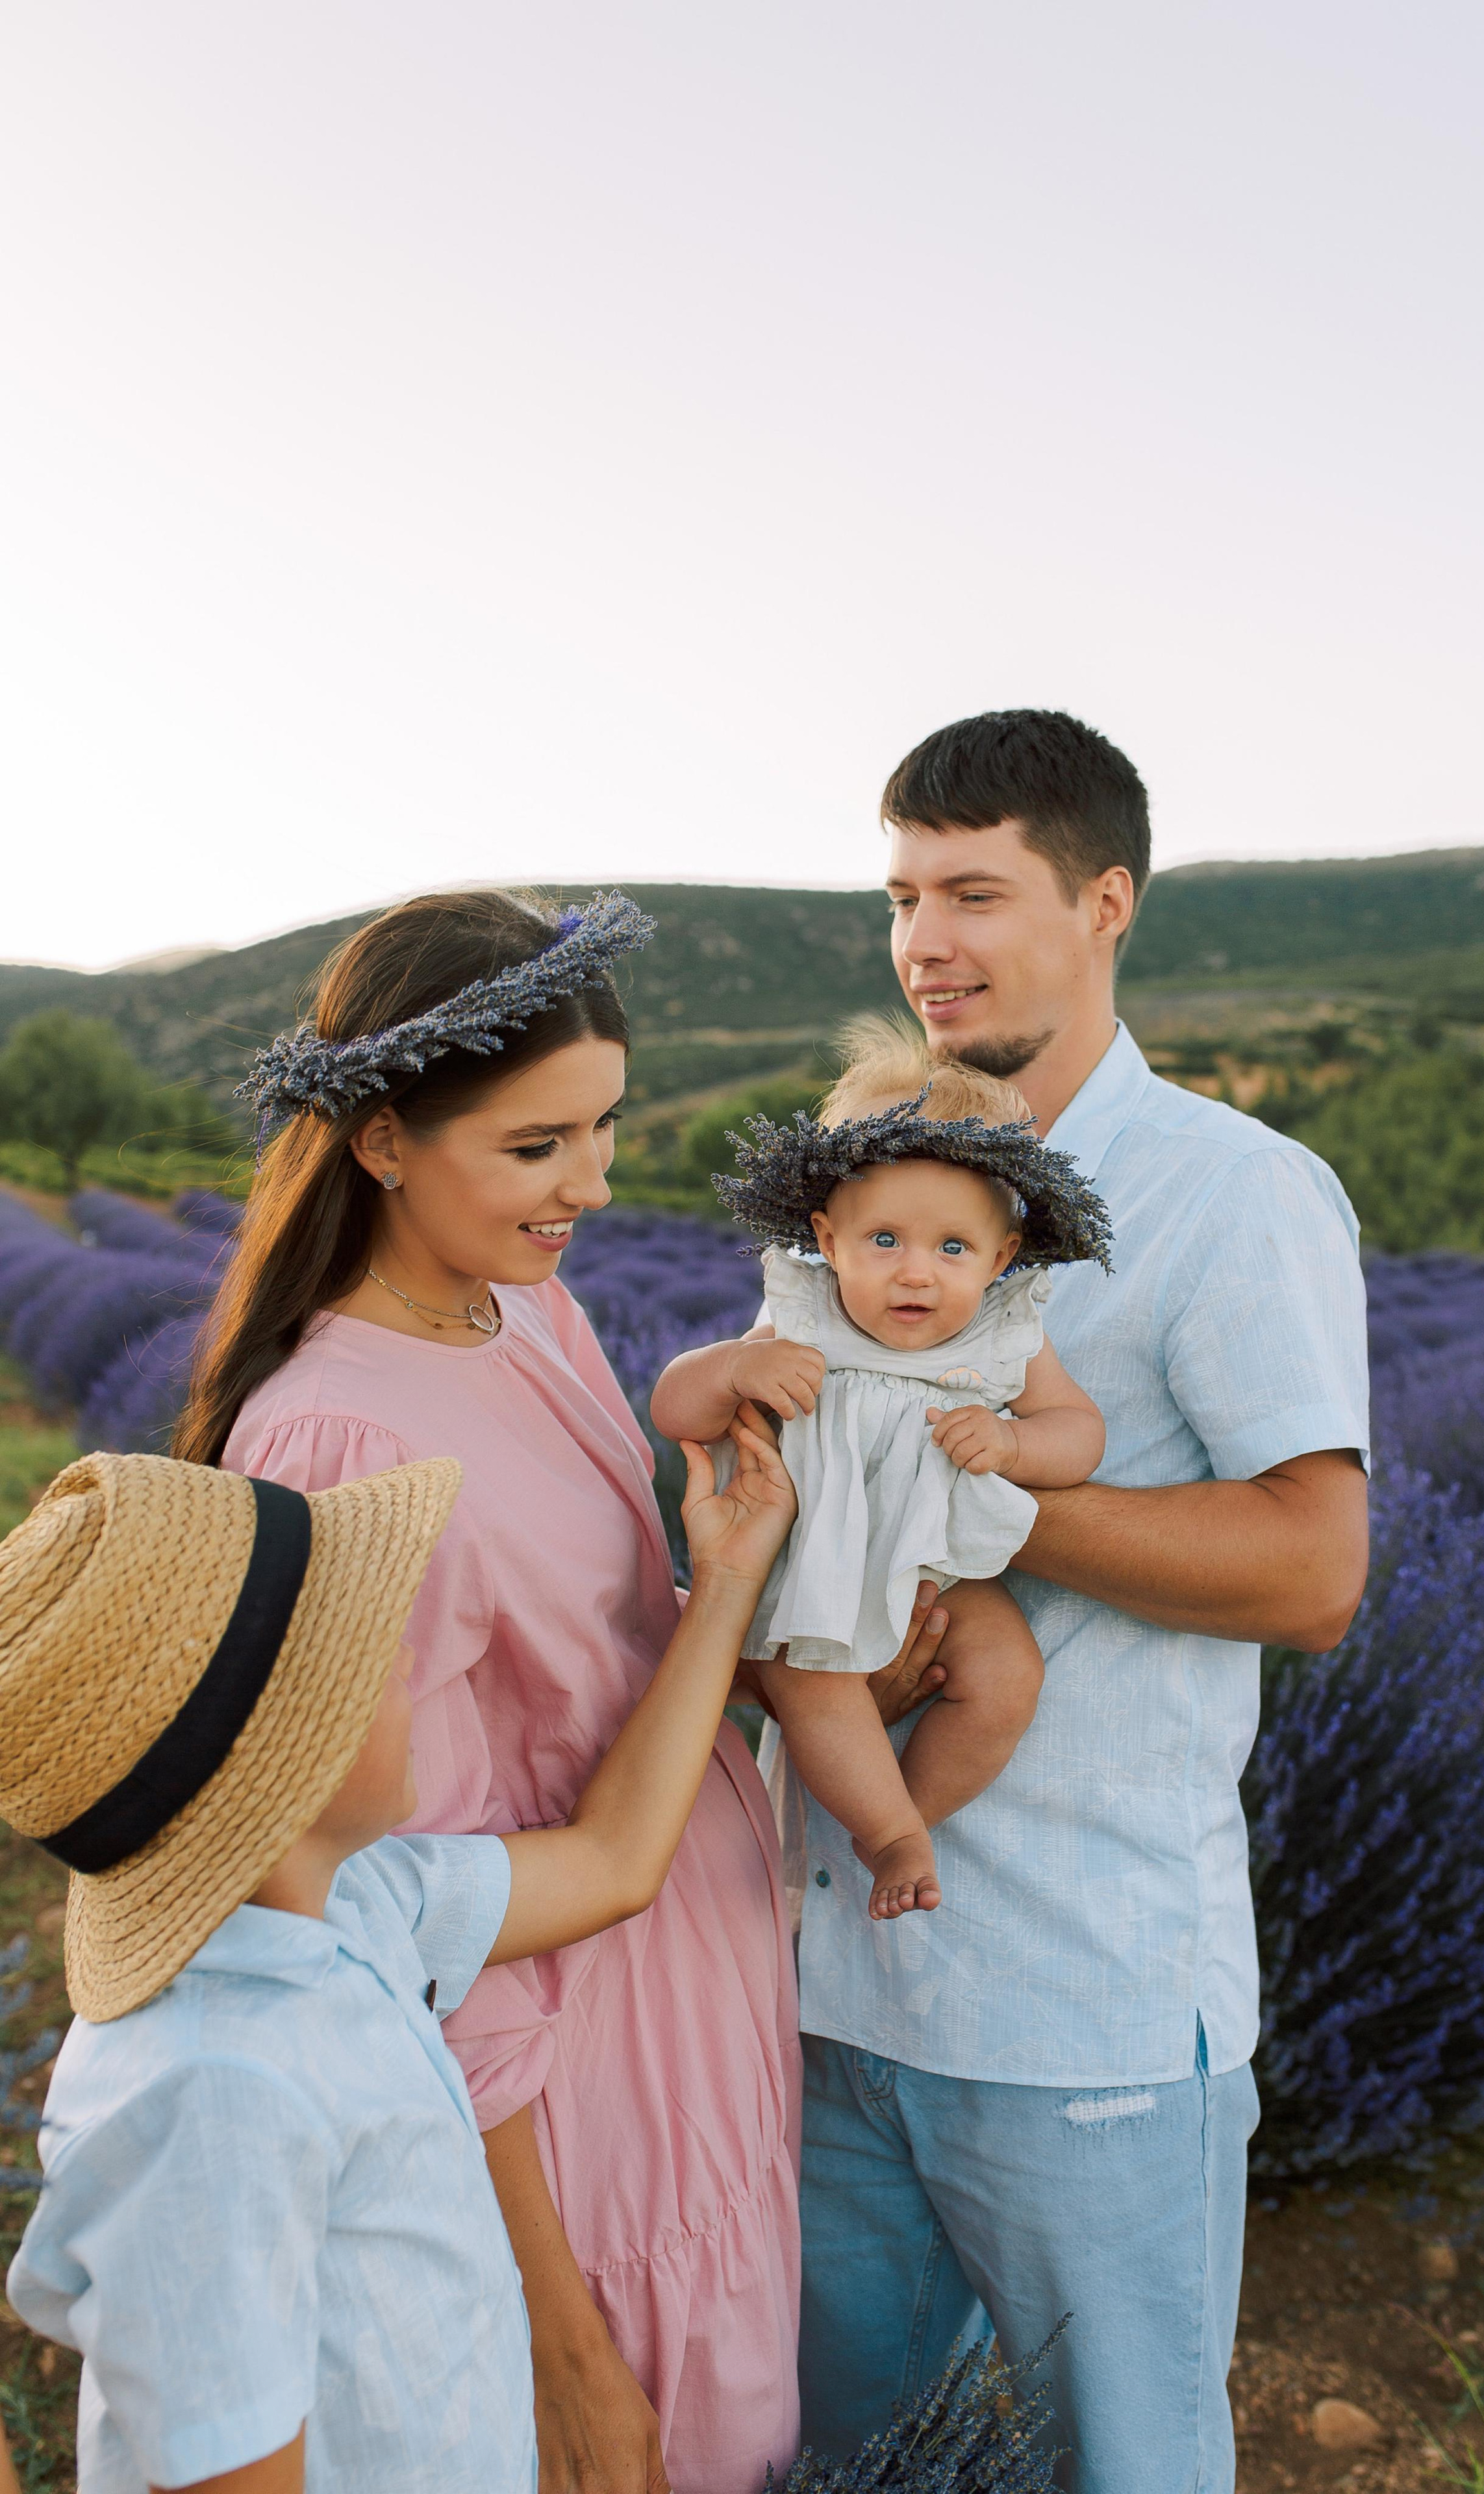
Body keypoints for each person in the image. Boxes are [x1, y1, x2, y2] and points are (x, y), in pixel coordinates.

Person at [173, 886, 947, 2494]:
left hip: (692, 1994)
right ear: (383, 1141)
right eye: (537, 1146)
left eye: (602, 1127)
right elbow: (409, 1937)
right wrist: (565, 2355)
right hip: (574, 2087)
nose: (591, 1183)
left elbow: (598, 1663)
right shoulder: (341, 1443)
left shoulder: (526, 1309)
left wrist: (752, 1604)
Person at [788, 711, 1372, 2493]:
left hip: (1075, 2007)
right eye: (902, 896)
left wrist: (961, 1499)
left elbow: (1312, 1570)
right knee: (853, 2463)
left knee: (1126, 2468)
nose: (923, 941)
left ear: (1105, 903)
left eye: (973, 892)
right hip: (820, 1987)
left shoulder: (1231, 1193)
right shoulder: (855, 1179)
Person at [2, 1422, 795, 2490]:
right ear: (282, 1757)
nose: (415, 1663)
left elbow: (613, 1858)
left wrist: (730, 1579)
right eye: (372, 1653)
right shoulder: (212, 2096)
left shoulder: (353, 1903)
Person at [653, 1025, 1107, 1919]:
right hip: (817, 1569)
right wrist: (737, 1370)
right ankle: (887, 1831)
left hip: (940, 1566)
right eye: (886, 1239)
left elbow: (1079, 1432)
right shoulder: (803, 1319)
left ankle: (911, 1817)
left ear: (1002, 1257)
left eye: (952, 1249)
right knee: (813, 1686)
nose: (916, 1275)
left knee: (1006, 1677)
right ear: (829, 1238)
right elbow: (675, 1408)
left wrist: (1014, 1446)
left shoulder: (1005, 1337)